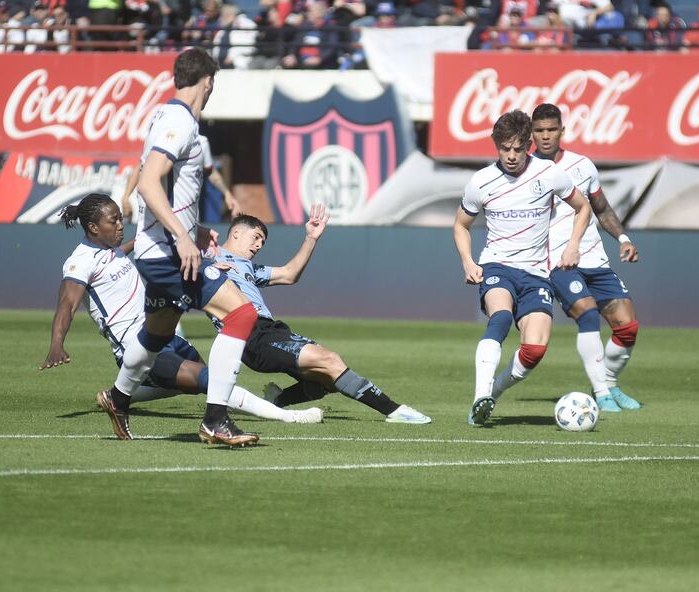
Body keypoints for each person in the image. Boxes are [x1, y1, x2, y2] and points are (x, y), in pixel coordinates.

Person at [40, 194, 323, 425]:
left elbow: (132, 247)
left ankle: (119, 396)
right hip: (135, 347)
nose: (120, 225)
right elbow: (66, 304)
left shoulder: (110, 249)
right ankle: (289, 416)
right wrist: (56, 344)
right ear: (92, 227)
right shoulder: (80, 262)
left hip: (162, 335)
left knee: (200, 380)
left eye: (120, 218)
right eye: (113, 221)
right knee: (210, 380)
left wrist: (205, 258)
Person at [101, 48, 261, 447]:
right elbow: (149, 182)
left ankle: (118, 398)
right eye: (213, 84)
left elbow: (160, 190)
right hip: (167, 253)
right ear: (208, 81)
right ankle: (215, 420)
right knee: (240, 314)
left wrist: (195, 228)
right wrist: (182, 236)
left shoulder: (167, 117)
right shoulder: (178, 120)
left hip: (159, 250)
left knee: (157, 333)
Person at [214, 208, 431, 424]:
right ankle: (394, 411)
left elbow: (289, 275)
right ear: (235, 233)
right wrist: (209, 264)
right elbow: (183, 259)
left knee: (325, 382)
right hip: (251, 335)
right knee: (330, 360)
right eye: (256, 237)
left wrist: (310, 238)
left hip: (271, 330)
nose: (259, 245)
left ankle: (277, 399)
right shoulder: (208, 256)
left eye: (263, 241)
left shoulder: (248, 267)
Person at [453, 110, 592, 426]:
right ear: (496, 145)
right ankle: (479, 395)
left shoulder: (549, 174)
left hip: (536, 275)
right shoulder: (481, 182)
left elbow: (582, 207)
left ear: (529, 144)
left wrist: (573, 245)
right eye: (505, 148)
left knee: (535, 350)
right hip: (498, 266)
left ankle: (493, 395)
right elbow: (461, 225)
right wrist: (468, 261)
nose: (512, 156)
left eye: (518, 148)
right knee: (500, 317)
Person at [530, 103, 642, 412]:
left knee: (627, 327)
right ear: (531, 134)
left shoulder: (582, 165)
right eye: (539, 131)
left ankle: (610, 384)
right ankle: (601, 393)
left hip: (595, 258)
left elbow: (601, 208)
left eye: (551, 129)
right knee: (588, 314)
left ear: (562, 131)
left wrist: (623, 239)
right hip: (559, 262)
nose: (545, 136)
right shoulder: (525, 170)